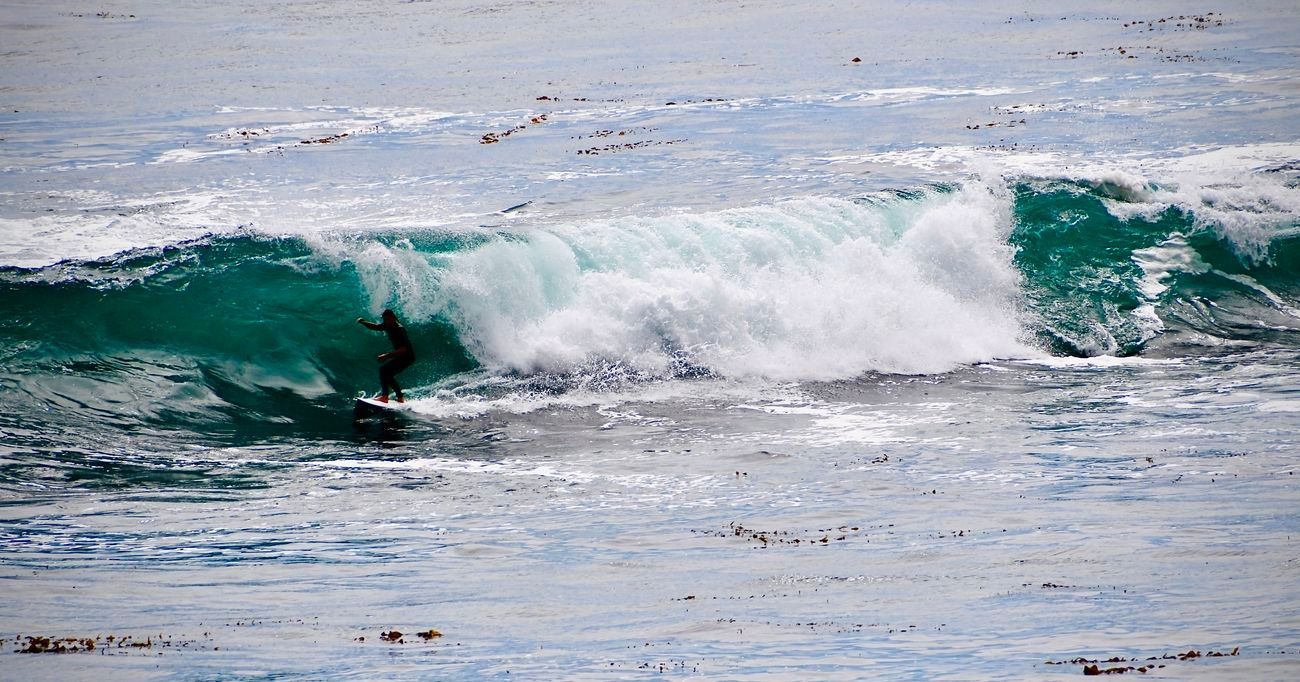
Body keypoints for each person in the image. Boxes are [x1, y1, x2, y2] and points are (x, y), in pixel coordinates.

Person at [357, 309, 416, 403]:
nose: (384, 321)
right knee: (387, 373)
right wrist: (363, 322)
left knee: (384, 371)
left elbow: (403, 349)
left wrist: (386, 356)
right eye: (383, 319)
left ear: (392, 318)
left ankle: (385, 397)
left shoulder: (399, 329)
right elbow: (376, 327)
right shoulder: (388, 325)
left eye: (386, 319)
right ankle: (400, 398)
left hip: (407, 356)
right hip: (401, 356)